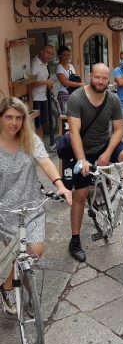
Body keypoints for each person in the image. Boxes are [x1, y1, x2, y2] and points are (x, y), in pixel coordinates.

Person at [67, 63, 123, 263]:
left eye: (104, 78)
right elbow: (74, 133)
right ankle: (75, 240)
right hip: (83, 151)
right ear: (90, 76)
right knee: (81, 194)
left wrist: (107, 153)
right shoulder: (76, 98)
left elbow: (119, 130)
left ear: (108, 79)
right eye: (97, 77)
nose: (101, 82)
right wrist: (82, 160)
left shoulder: (111, 99)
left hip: (106, 145)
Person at [0, 97, 72, 314]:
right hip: (4, 211)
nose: (14, 123)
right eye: (9, 117)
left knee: (34, 250)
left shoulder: (30, 140)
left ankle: (15, 283)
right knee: (13, 256)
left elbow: (45, 162)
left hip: (30, 207)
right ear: (1, 118)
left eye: (19, 118)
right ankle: (10, 287)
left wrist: (60, 184)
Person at [31, 45, 54, 138]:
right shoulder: (35, 63)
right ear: (41, 52)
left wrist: (50, 84)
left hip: (43, 97)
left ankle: (42, 146)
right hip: (36, 98)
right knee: (37, 124)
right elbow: (31, 82)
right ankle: (39, 148)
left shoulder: (45, 63)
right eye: (47, 52)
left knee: (43, 123)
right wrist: (46, 82)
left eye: (52, 54)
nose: (49, 56)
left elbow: (45, 79)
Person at [56, 46, 83, 113]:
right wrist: (79, 84)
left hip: (73, 92)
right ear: (59, 56)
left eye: (68, 55)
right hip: (64, 93)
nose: (67, 57)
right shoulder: (59, 67)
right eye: (64, 55)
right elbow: (64, 82)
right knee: (66, 114)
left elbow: (74, 78)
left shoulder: (71, 66)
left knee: (74, 113)